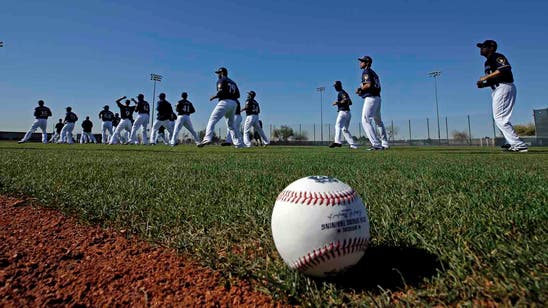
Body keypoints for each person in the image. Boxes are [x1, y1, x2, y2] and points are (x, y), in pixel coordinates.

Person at [476, 40, 528, 152]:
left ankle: (518, 144)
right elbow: (493, 78)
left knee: (500, 118)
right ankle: (511, 142)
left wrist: (485, 78)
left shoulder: (497, 56)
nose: (481, 49)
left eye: (483, 46)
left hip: (504, 87)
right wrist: (483, 84)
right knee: (499, 118)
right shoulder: (487, 63)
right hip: (497, 89)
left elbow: (505, 68)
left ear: (491, 48)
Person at [198, 67, 243, 148]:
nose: (217, 75)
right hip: (234, 103)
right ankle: (238, 143)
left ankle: (207, 138)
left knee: (212, 119)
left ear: (221, 73)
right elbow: (238, 95)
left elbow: (221, 92)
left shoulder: (221, 80)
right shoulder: (233, 82)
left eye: (218, 73)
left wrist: (214, 97)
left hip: (224, 102)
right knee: (231, 124)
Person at [356, 56, 389, 151]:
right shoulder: (374, 73)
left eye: (362, 61)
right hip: (377, 98)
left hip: (371, 99)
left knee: (365, 120)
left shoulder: (366, 72)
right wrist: (363, 92)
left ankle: (376, 144)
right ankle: (385, 143)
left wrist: (360, 89)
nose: (360, 63)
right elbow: (374, 86)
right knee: (378, 122)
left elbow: (368, 84)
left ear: (366, 63)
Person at [330, 81, 358, 149]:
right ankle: (353, 145)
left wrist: (338, 102)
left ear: (339, 86)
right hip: (348, 113)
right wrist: (341, 102)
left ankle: (337, 142)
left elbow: (345, 100)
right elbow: (350, 102)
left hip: (343, 112)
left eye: (335, 86)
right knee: (344, 129)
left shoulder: (341, 92)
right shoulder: (344, 92)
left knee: (337, 126)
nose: (335, 88)